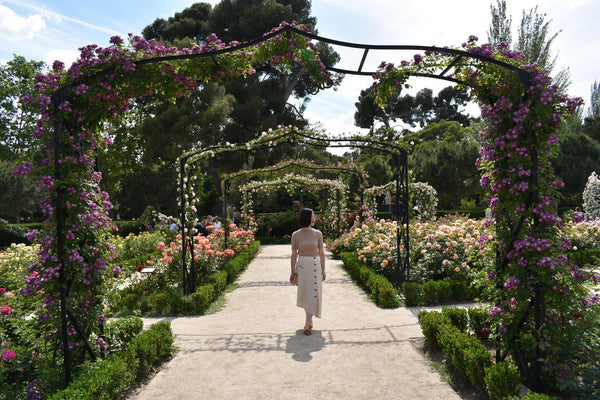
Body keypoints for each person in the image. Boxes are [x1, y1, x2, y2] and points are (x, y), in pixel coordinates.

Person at [290, 208, 326, 335]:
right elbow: (294, 254)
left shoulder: (318, 234)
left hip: (315, 266)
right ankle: (309, 319)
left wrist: (324, 270)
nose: (314, 218)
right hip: (302, 266)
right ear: (307, 218)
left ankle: (306, 324)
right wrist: (292, 272)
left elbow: (321, 253)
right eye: (313, 216)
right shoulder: (295, 235)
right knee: (305, 294)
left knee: (313, 293)